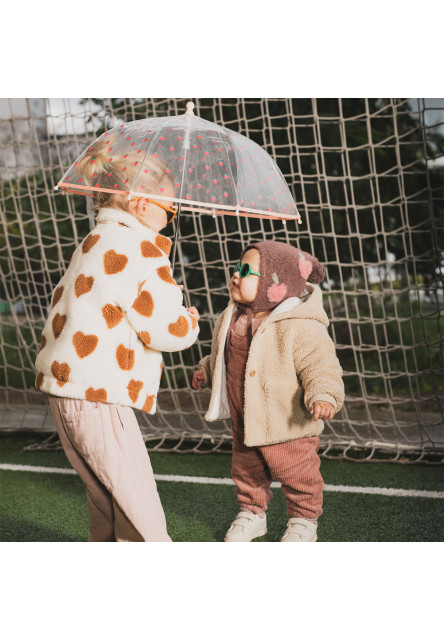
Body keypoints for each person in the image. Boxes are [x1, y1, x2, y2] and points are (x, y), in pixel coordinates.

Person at [35, 137, 200, 542]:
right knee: (135, 497)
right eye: (171, 208)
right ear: (142, 203)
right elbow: (165, 329)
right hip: (99, 394)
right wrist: (189, 322)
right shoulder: (142, 249)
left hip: (64, 388)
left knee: (106, 496)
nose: (171, 216)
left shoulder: (96, 239)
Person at [192, 241, 344, 542]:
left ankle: (304, 520)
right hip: (246, 418)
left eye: (247, 271)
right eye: (237, 267)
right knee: (247, 470)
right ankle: (252, 512)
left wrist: (324, 394)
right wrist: (206, 370)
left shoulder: (299, 324)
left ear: (276, 285)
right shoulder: (233, 316)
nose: (236, 275)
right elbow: (223, 355)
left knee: (298, 472)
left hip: (287, 421)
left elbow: (321, 363)